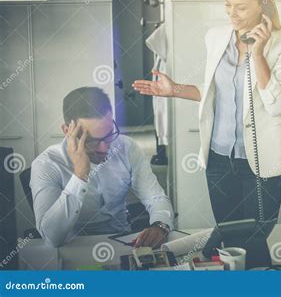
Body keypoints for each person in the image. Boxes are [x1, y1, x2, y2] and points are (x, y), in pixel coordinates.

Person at [133, 0, 281, 226]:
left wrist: (258, 54)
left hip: (261, 162)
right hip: (218, 160)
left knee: (258, 241)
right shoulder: (216, 37)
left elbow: (277, 105)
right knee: (228, 237)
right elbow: (214, 91)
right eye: (227, 5)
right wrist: (173, 89)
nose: (232, 13)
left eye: (241, 7)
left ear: (262, 5)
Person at [30, 87, 174, 247]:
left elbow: (155, 198)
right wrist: (79, 175)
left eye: (109, 134)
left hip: (122, 240)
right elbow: (51, 238)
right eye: (91, 140)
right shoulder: (46, 164)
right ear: (67, 131)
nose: (104, 148)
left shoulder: (126, 147)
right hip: (72, 246)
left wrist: (160, 226)